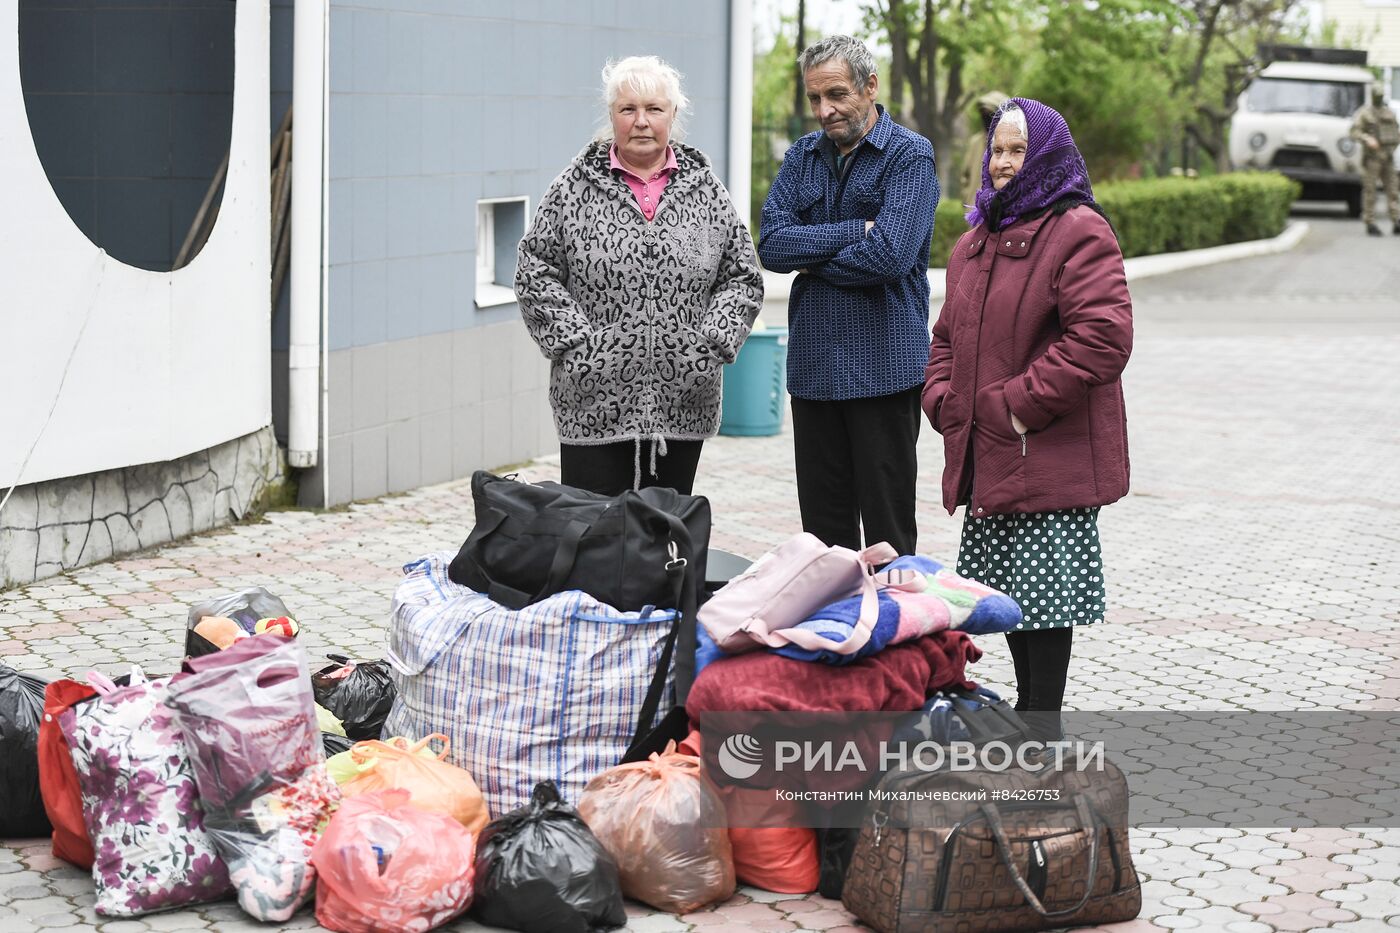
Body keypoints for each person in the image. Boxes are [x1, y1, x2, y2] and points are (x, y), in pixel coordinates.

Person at [922, 99, 1132, 737]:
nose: (1005, 162)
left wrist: (1013, 408)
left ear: (1047, 155)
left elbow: (1103, 338)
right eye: (997, 150)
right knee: (1011, 601)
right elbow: (946, 339)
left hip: (1041, 449)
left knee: (1042, 605)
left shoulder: (1078, 231)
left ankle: (1043, 728)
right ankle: (1031, 724)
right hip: (990, 451)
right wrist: (943, 399)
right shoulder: (974, 241)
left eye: (1018, 150)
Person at [517, 55, 762, 496]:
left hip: (683, 398)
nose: (641, 121)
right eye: (628, 110)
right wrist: (578, 347)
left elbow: (742, 275)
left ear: (674, 115)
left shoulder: (706, 191)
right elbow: (535, 268)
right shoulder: (572, 187)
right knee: (593, 534)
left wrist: (710, 344)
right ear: (611, 116)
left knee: (665, 538)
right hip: (593, 398)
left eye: (654, 109)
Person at [757, 35, 939, 556]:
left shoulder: (910, 157)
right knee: (823, 544)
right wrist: (853, 230)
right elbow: (770, 244)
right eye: (815, 98)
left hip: (883, 370)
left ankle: (893, 636)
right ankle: (834, 635)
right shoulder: (802, 155)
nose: (825, 110)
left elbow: (889, 256)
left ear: (870, 86)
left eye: (836, 94)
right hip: (815, 372)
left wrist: (810, 256)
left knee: (888, 539)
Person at [1351, 83, 1400, 236]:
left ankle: (1396, 219)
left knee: (1393, 190)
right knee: (1370, 190)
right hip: (1372, 158)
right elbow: (1354, 131)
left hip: (1388, 156)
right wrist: (1367, 139)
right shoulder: (1364, 113)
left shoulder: (1389, 113)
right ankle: (1370, 222)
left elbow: (1395, 130)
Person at [959, 91, 1009, 201]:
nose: (985, 117)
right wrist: (967, 196)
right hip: (974, 208)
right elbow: (965, 176)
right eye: (983, 113)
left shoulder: (1011, 143)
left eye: (989, 113)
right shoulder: (975, 142)